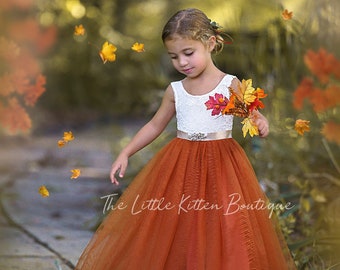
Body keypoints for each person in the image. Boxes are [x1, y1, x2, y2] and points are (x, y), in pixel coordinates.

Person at [76, 8, 296, 270]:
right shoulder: (175, 90)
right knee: (180, 223)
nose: (182, 62)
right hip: (181, 164)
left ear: (210, 43)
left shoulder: (230, 84)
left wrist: (259, 122)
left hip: (223, 165)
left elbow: (252, 114)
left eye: (188, 53)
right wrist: (126, 152)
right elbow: (155, 125)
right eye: (174, 56)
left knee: (226, 222)